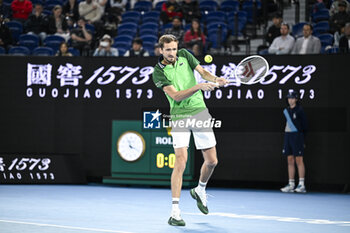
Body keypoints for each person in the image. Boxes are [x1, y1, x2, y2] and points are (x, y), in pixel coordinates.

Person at [152, 34, 229, 226]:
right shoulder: (158, 72)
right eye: (168, 49)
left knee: (212, 161)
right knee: (181, 160)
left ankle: (200, 189)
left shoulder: (185, 55)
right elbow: (176, 96)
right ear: (161, 50)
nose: (172, 53)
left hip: (200, 113)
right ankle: (175, 211)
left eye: (174, 49)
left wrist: (216, 78)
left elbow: (203, 72)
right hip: (179, 116)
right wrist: (199, 87)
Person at [280, 91, 308, 193]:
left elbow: (305, 126)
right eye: (288, 98)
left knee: (299, 160)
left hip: (297, 136)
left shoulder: (300, 110)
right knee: (290, 159)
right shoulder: (287, 110)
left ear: (296, 99)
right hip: (288, 135)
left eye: (292, 98)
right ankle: (291, 184)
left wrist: (302, 139)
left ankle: (301, 184)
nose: (290, 100)